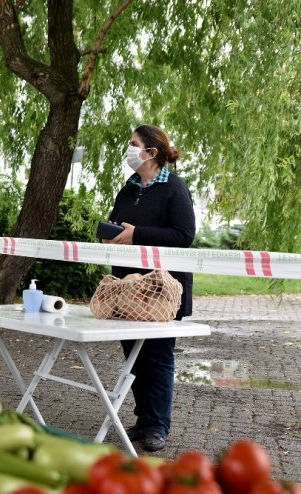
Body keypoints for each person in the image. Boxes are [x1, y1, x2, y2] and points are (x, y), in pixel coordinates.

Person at [104, 124, 195, 452]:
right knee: (133, 356)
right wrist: (111, 233)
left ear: (152, 153)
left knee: (157, 357)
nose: (128, 149)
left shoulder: (175, 189)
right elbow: (119, 225)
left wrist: (137, 233)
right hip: (128, 289)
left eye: (133, 144)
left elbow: (183, 236)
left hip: (162, 292)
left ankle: (158, 425)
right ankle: (143, 420)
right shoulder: (127, 189)